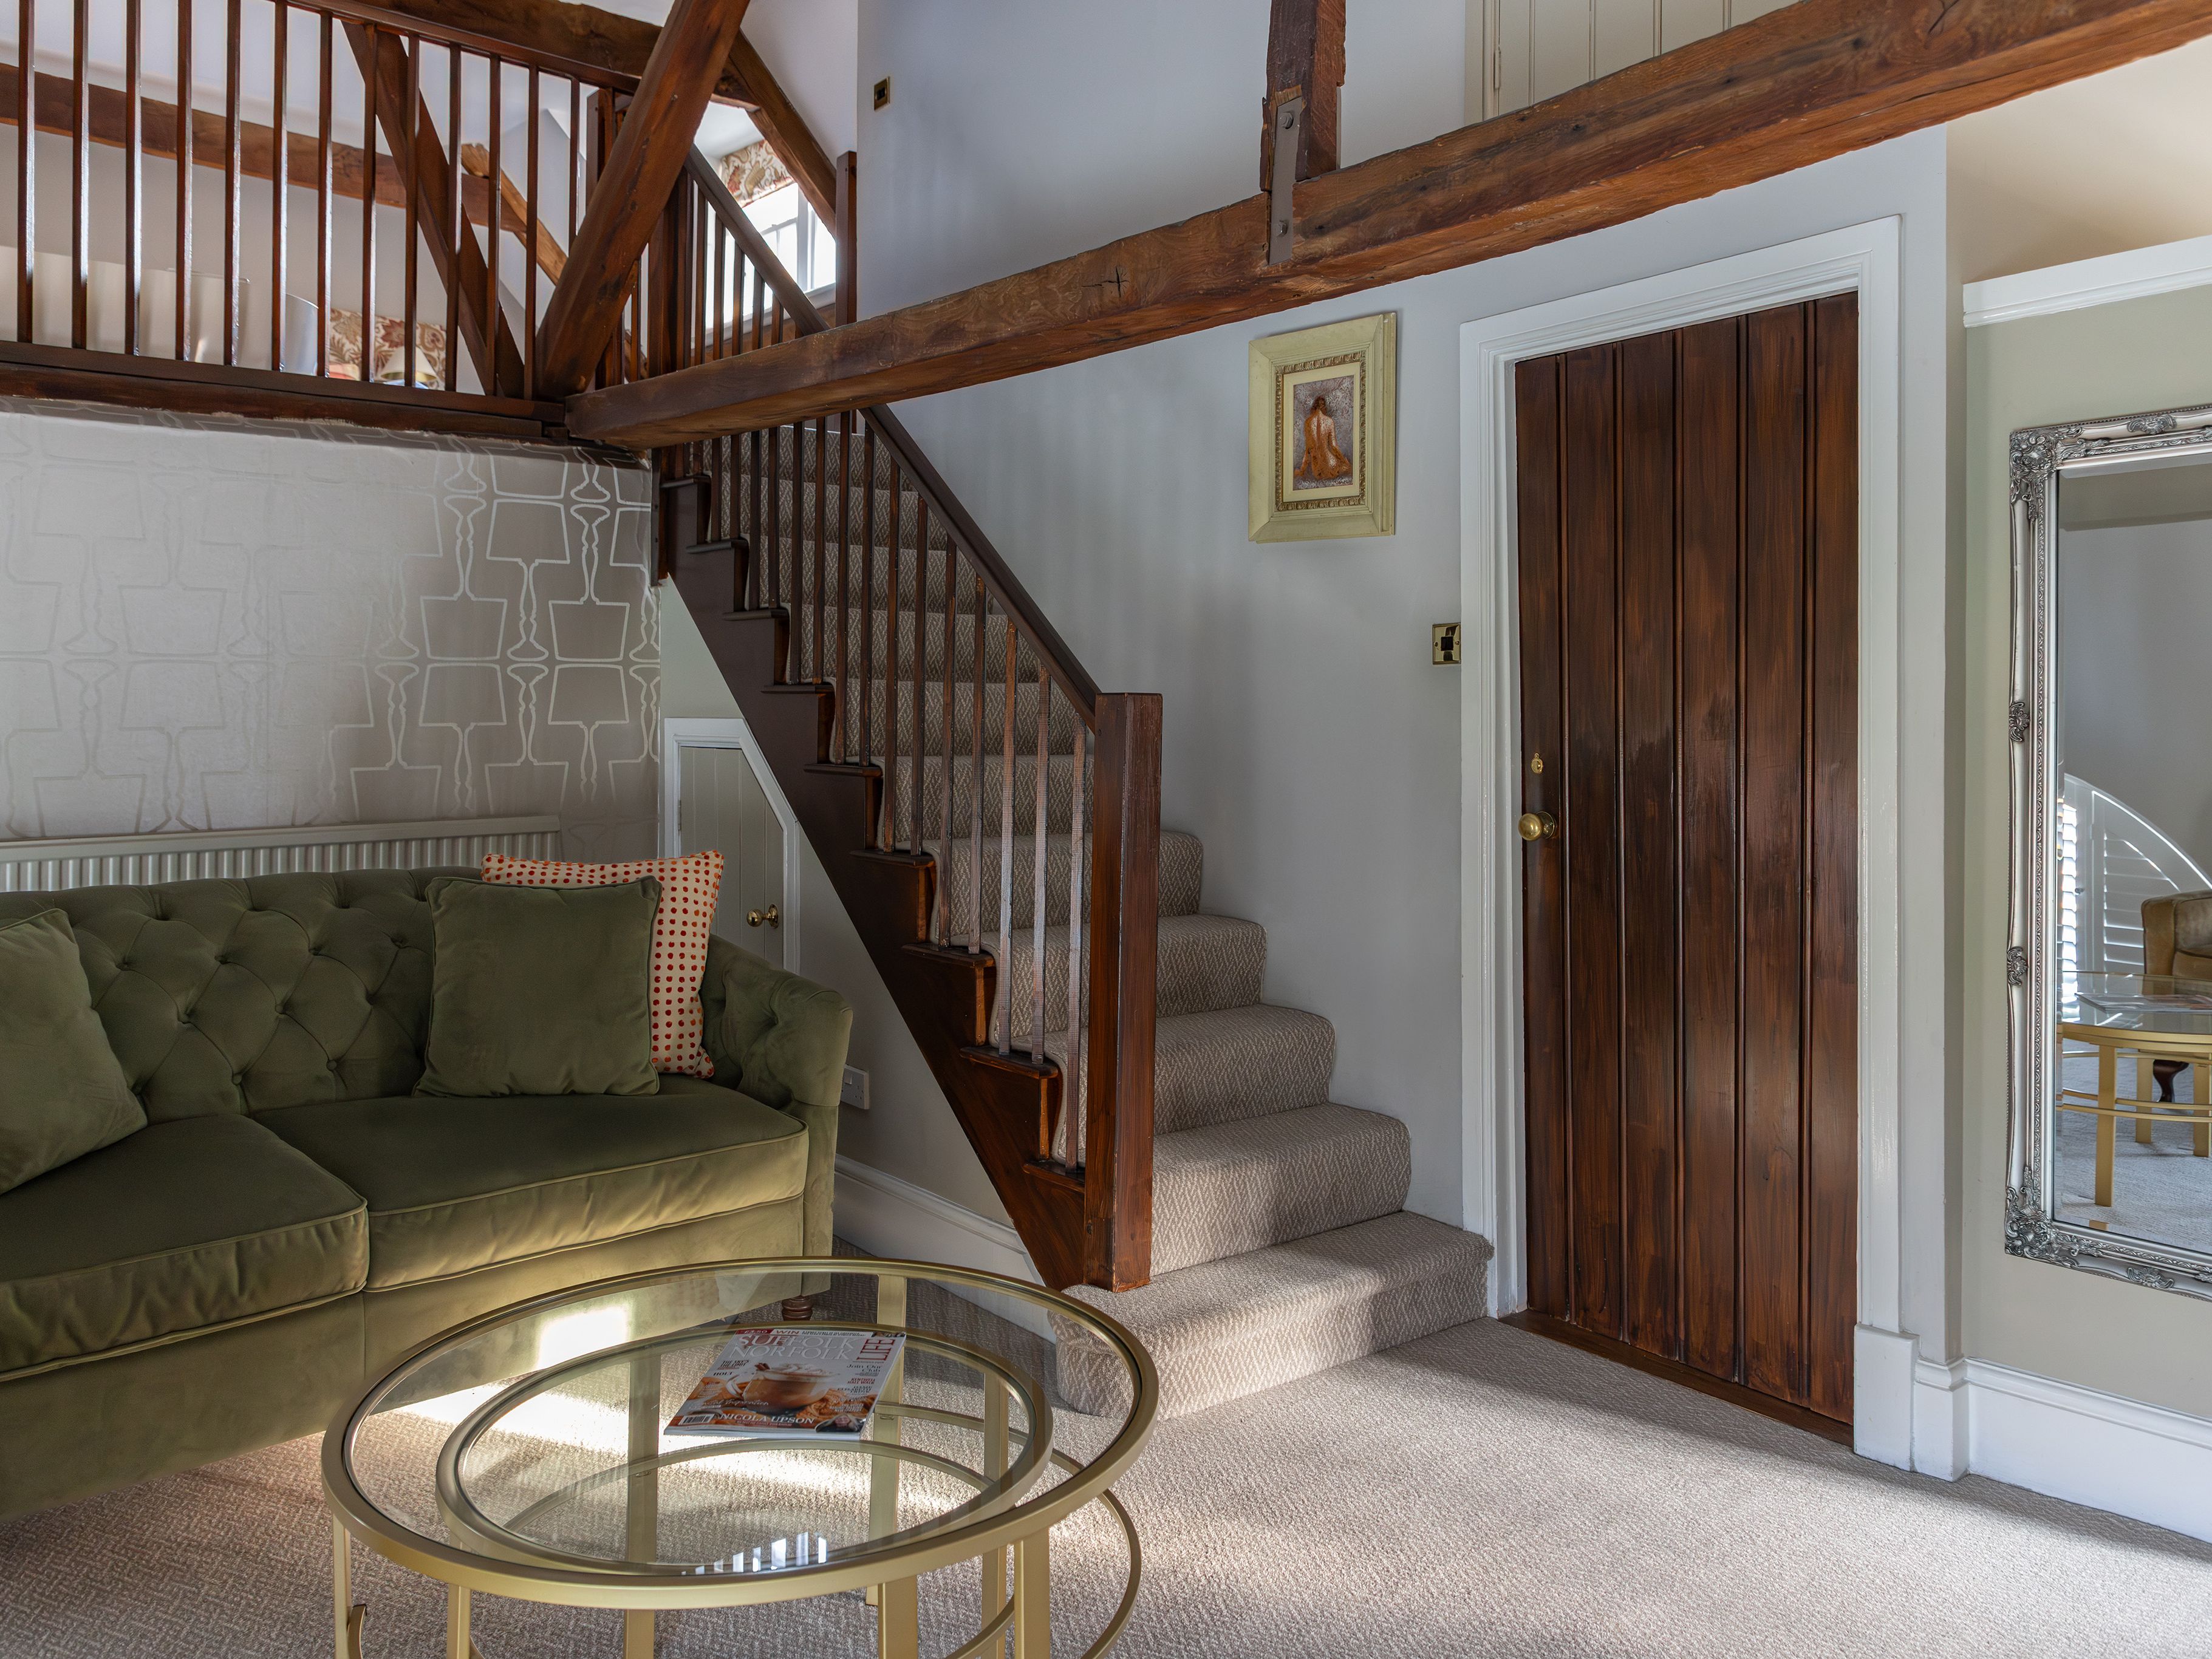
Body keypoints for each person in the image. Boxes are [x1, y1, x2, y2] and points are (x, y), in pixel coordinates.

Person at [1297, 384, 1353, 485]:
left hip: (1317, 471)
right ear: (1324, 407)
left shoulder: (1308, 422)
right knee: (1347, 466)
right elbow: (1334, 447)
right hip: (1331, 466)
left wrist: (1302, 470)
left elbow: (1308, 450)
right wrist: (1345, 462)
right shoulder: (1329, 421)